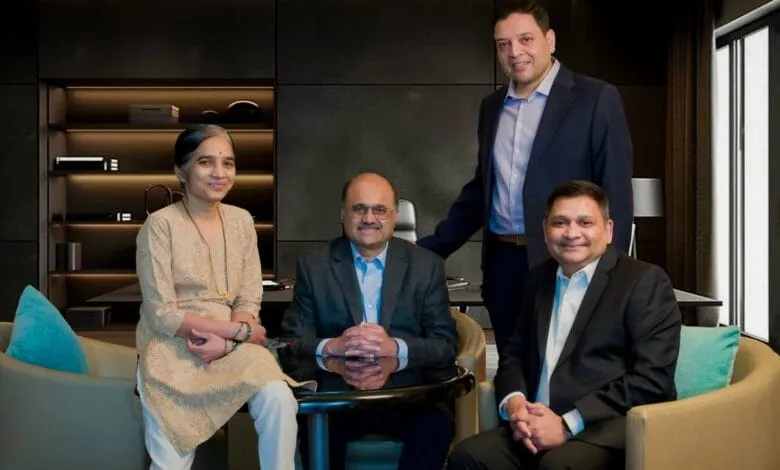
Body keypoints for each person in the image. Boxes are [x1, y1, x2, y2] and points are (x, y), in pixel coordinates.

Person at [416, 0, 634, 357]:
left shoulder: (596, 99)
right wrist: (428, 249)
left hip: (565, 259)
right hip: (503, 263)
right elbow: (483, 188)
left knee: (564, 368)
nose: (514, 52)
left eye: (525, 40)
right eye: (503, 44)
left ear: (550, 40)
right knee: (513, 368)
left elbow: (617, 195)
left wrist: (611, 274)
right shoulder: (492, 106)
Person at [446, 180, 681, 470]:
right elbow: (514, 354)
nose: (572, 233)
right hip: (535, 423)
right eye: (560, 222)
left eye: (585, 222)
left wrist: (568, 424)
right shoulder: (538, 279)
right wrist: (515, 404)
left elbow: (652, 380)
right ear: (545, 230)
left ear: (608, 230)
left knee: (559, 465)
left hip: (608, 427)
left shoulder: (644, 282)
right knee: (467, 456)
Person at [135, 124, 303, 469]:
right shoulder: (160, 225)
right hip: (173, 348)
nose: (220, 173)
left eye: (228, 163)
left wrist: (230, 343)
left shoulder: (241, 221)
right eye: (206, 162)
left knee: (279, 398)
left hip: (230, 347)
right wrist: (239, 333)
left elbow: (248, 298)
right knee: (172, 460)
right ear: (181, 171)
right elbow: (162, 315)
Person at [281, 172, 459, 470]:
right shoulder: (315, 267)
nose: (369, 218)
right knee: (315, 430)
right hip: (337, 397)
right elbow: (291, 343)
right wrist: (334, 346)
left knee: (434, 428)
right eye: (359, 208)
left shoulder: (425, 266)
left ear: (394, 216)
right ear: (343, 213)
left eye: (379, 210)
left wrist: (395, 347)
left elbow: (445, 345)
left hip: (409, 395)